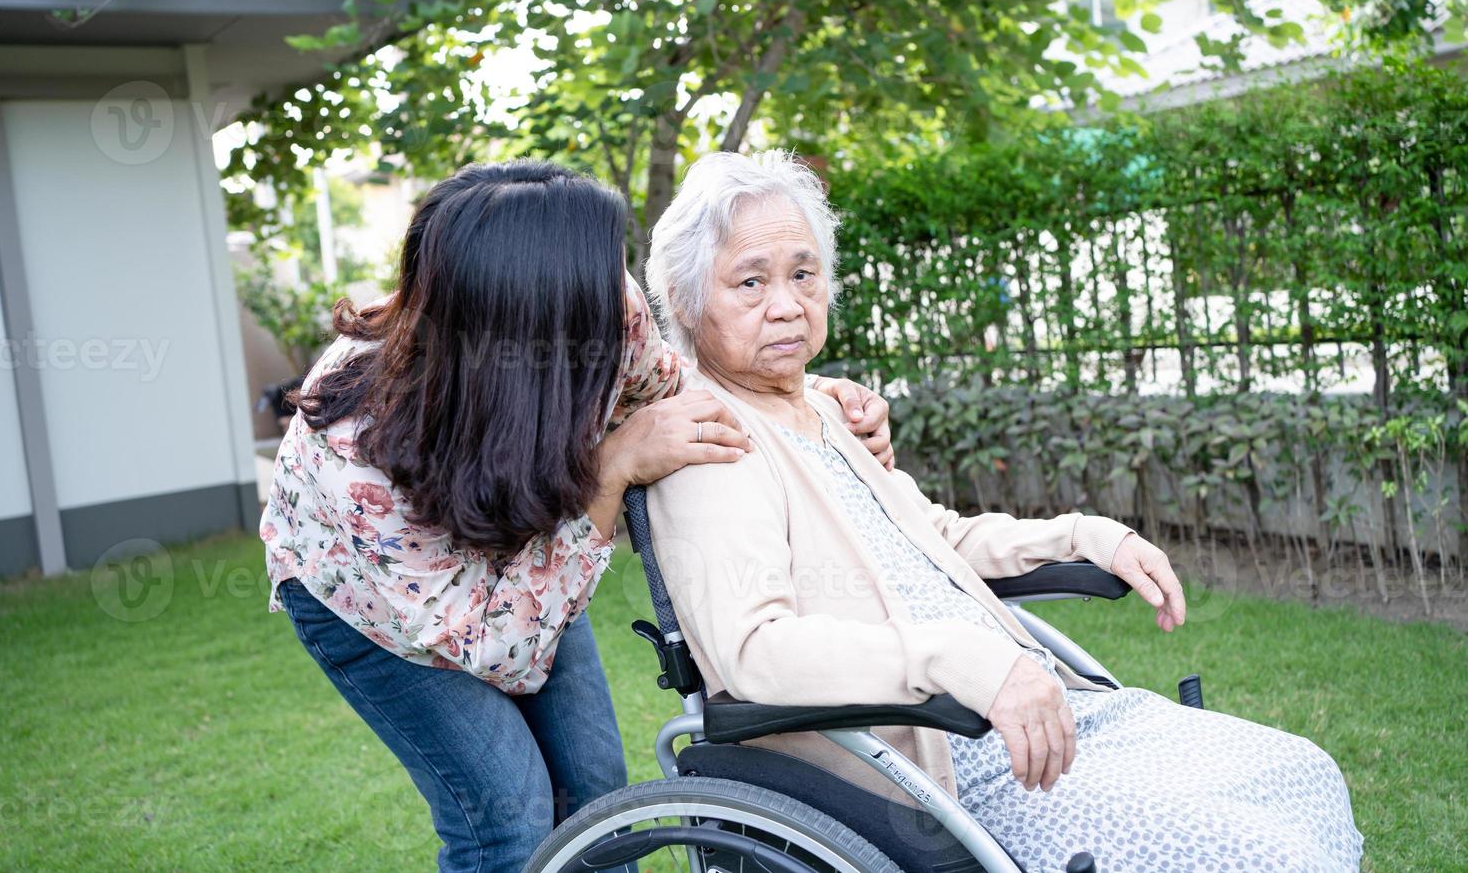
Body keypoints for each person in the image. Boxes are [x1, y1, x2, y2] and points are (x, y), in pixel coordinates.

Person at [642, 150, 1365, 871]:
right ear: (684, 299)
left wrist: (1087, 536)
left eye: (803, 274)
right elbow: (757, 650)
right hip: (944, 766)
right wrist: (962, 658)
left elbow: (933, 538)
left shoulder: (826, 409)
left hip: (1028, 714)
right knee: (1255, 852)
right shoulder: (712, 440)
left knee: (1300, 771)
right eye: (750, 281)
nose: (787, 304)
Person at [258, 159, 894, 873]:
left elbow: (685, 396)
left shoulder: (598, 307)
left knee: (592, 790)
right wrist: (613, 465)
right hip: (375, 603)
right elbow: (497, 647)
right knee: (508, 814)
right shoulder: (356, 441)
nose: (623, 305)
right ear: (516, 321)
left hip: (522, 552)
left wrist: (826, 402)